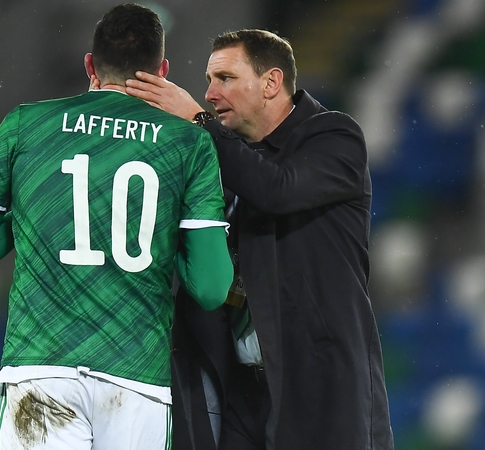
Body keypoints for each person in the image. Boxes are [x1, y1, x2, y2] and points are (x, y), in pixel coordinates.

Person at [0, 4, 234, 449]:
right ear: (162, 70)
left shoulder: (26, 125)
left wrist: (35, 218)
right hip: (136, 382)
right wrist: (164, 230)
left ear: (90, 65)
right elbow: (213, 287)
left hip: (43, 371)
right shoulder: (188, 144)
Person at [125, 29, 394, 450]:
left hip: (317, 388)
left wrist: (200, 125)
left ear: (271, 83)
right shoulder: (227, 160)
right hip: (241, 392)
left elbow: (278, 190)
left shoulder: (334, 137)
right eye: (209, 81)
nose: (211, 94)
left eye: (225, 79)